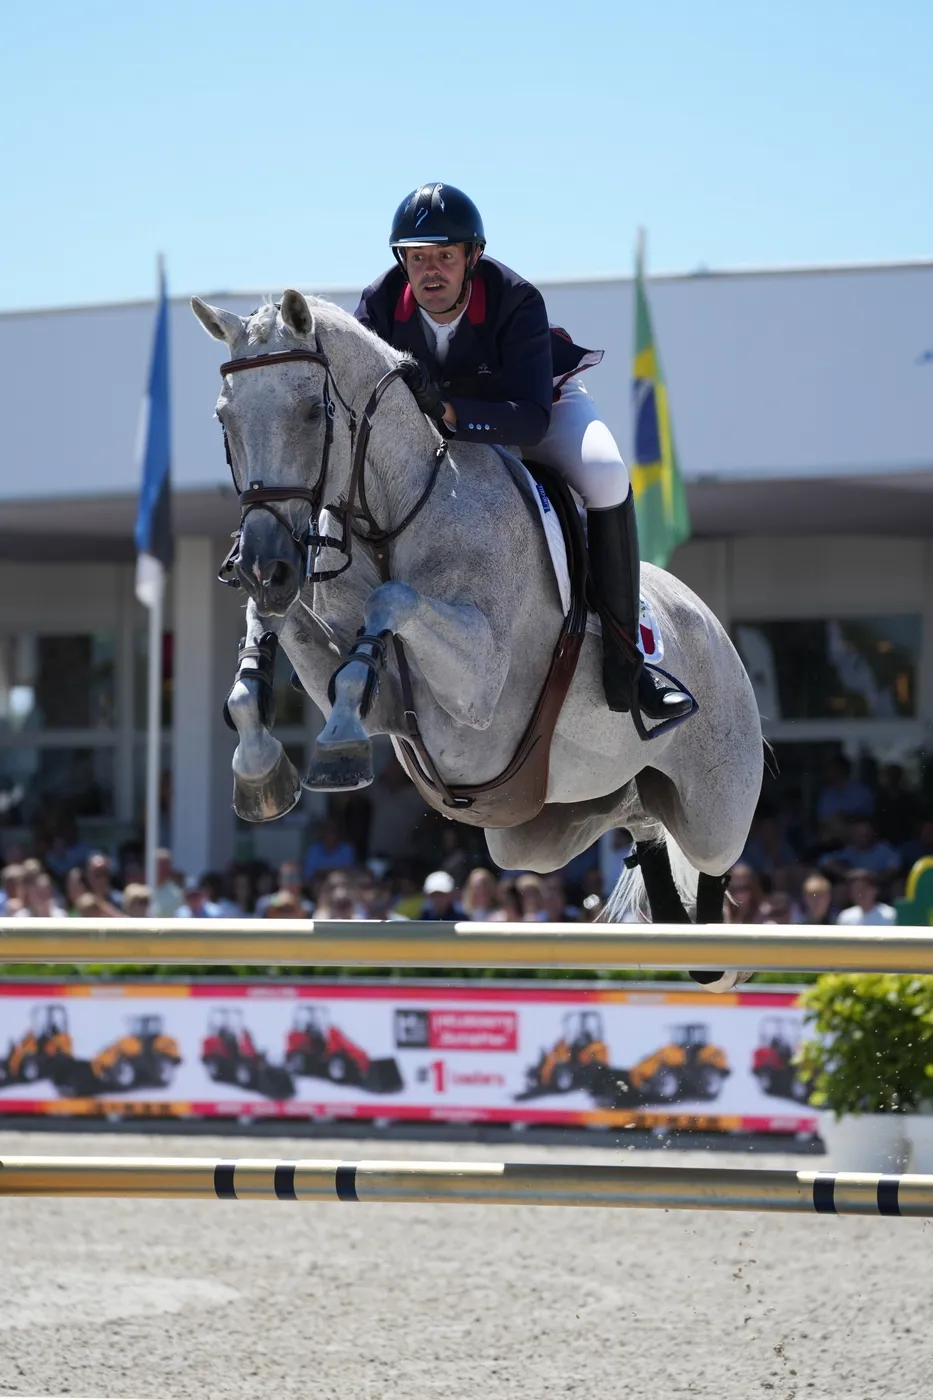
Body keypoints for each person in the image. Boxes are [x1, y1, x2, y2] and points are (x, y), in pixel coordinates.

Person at [355, 182, 692, 724]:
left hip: (537, 405)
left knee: (606, 476)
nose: (431, 271)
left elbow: (531, 419)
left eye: (445, 255)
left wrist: (448, 413)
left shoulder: (516, 299)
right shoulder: (376, 305)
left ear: (473, 257)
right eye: (418, 258)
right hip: (433, 428)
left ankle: (631, 664)